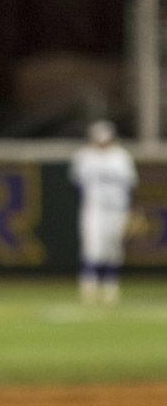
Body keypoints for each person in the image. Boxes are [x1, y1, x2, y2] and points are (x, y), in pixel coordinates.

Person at [69, 119, 138, 305]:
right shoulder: (84, 156)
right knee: (92, 247)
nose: (101, 144)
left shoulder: (121, 157)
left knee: (113, 248)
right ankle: (89, 286)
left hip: (117, 209)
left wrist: (131, 210)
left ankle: (110, 287)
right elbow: (77, 185)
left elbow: (130, 185)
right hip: (94, 208)